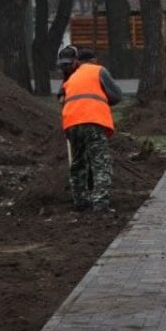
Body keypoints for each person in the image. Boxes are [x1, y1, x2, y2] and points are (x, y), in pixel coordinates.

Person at [58, 46, 123, 212]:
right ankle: (100, 203)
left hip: (71, 122)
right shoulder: (98, 70)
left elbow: (62, 97)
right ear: (93, 61)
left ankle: (80, 201)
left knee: (78, 162)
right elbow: (117, 95)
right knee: (100, 162)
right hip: (92, 120)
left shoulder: (71, 77)